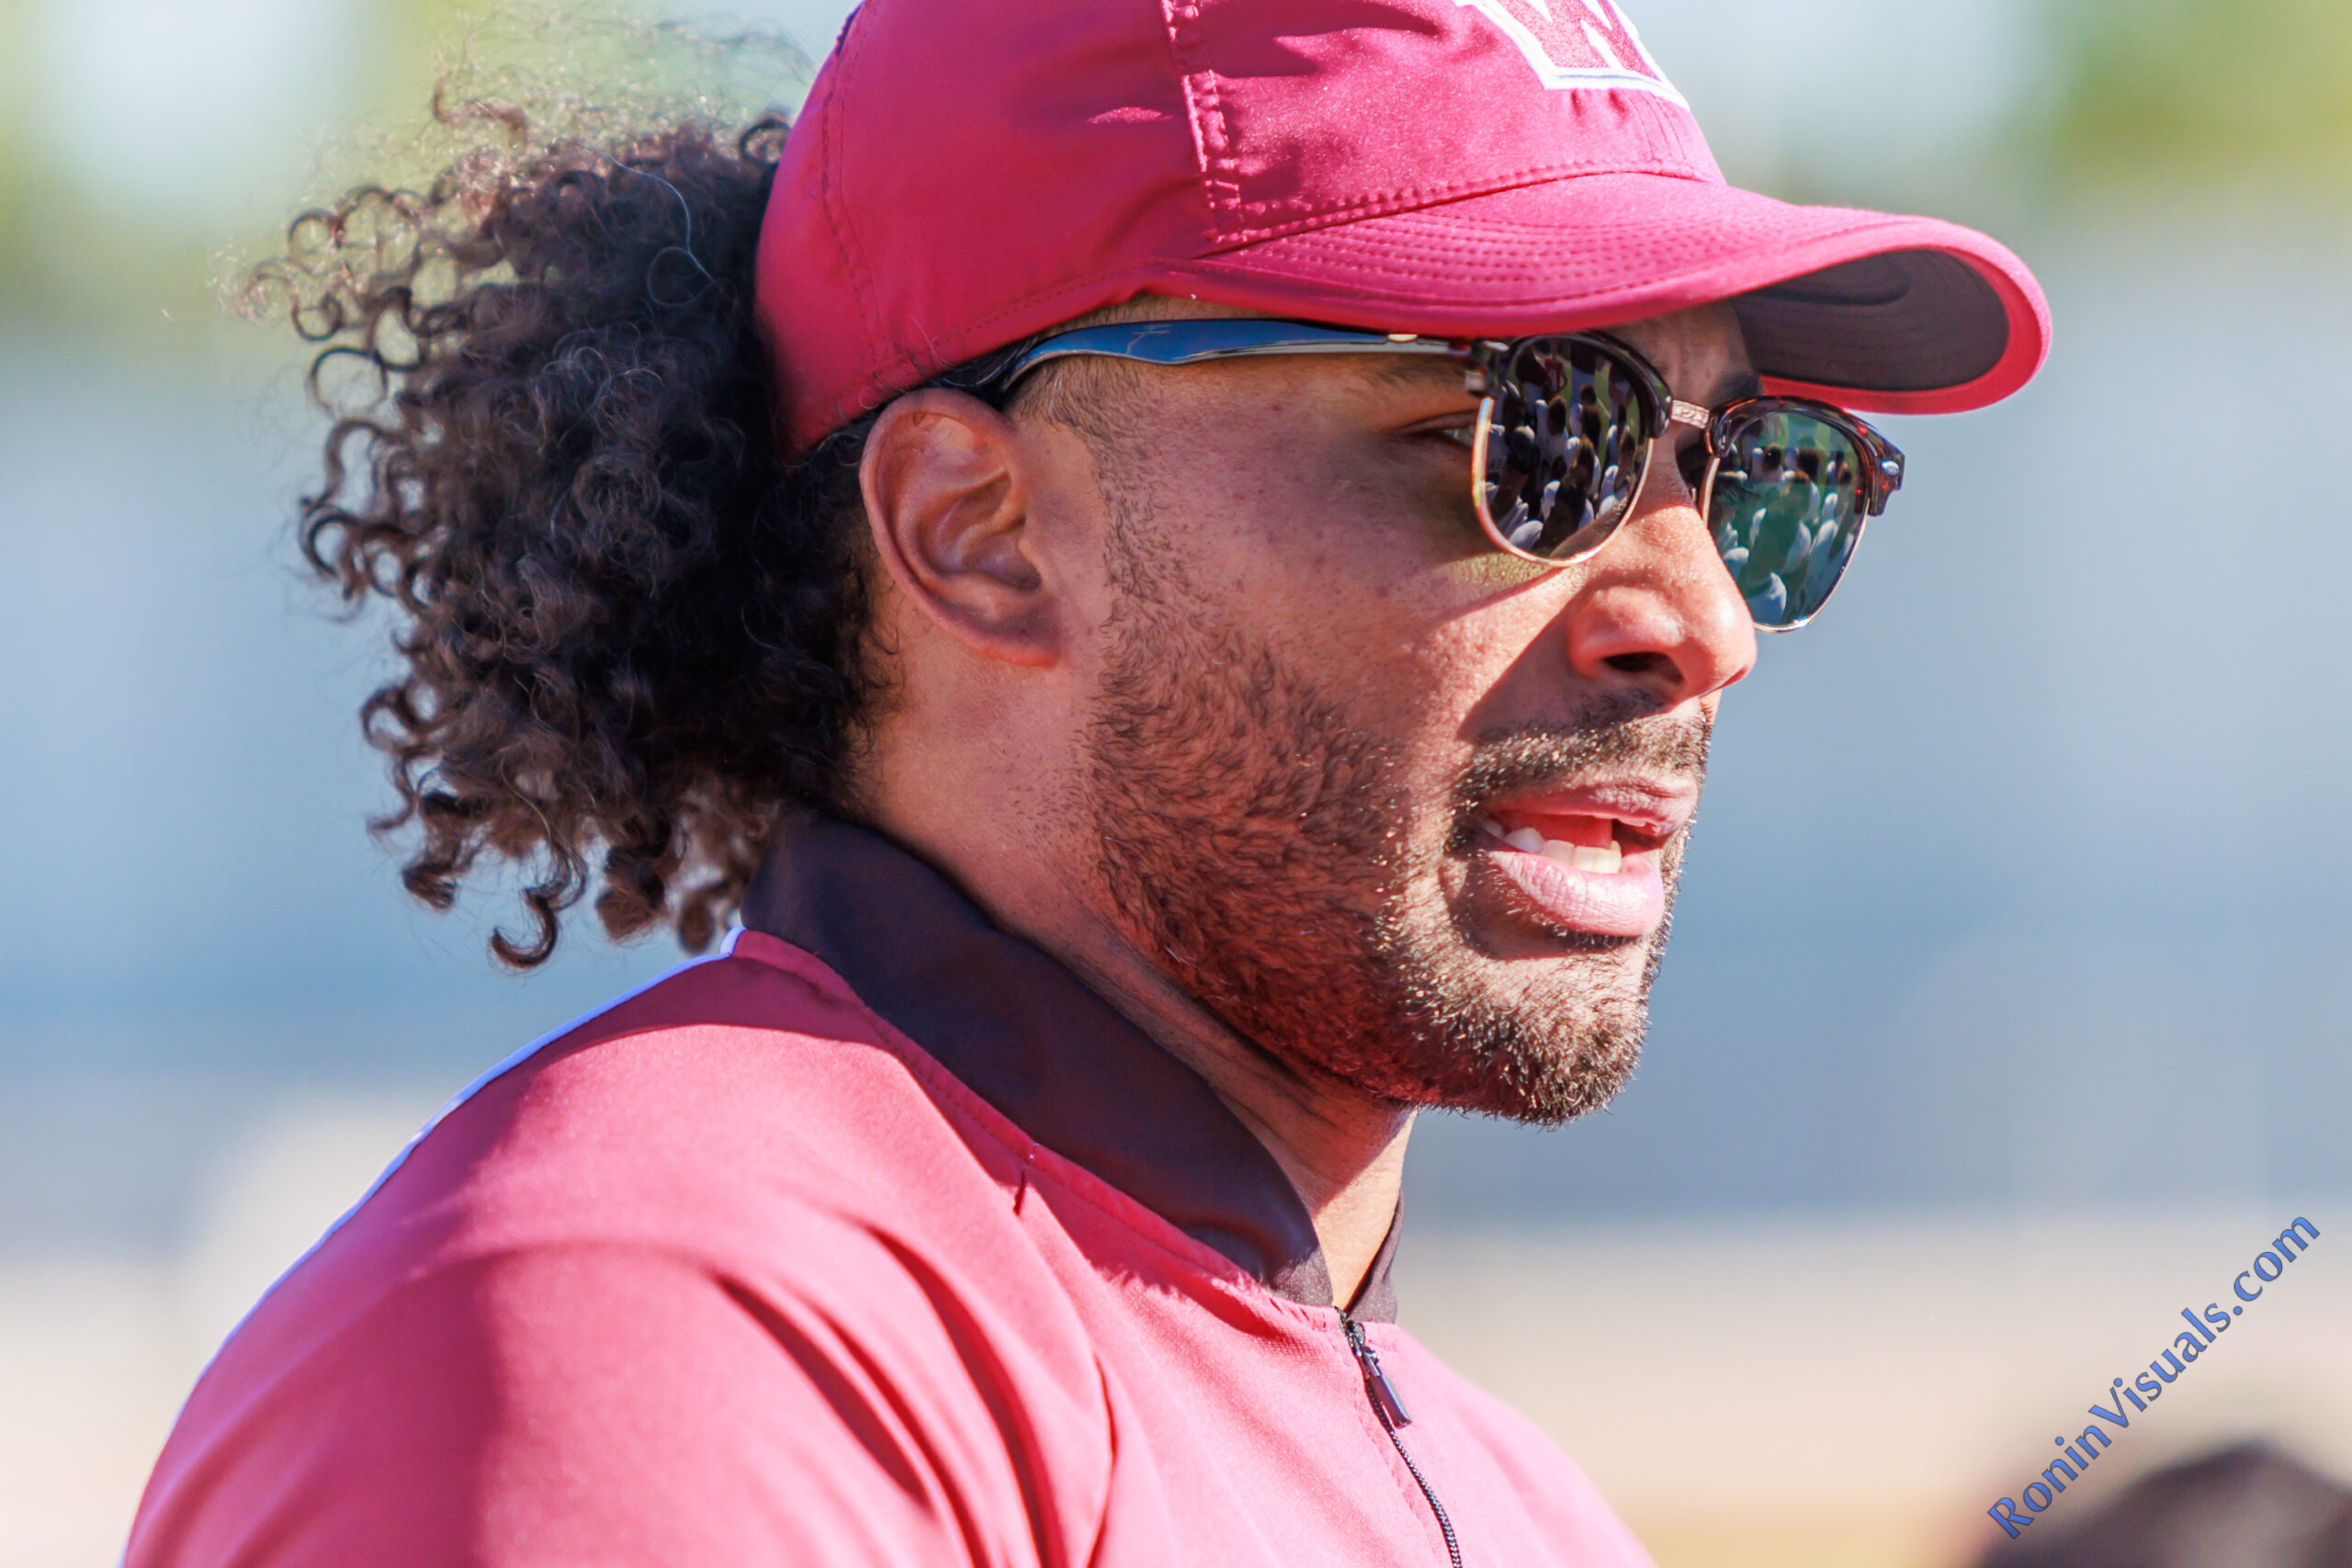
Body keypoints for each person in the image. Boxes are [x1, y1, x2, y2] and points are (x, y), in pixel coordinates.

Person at [127, 0, 2050, 1562]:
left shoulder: (1508, 1491)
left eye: (1753, 473)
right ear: (979, 529)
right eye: (1517, 436)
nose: (1700, 619)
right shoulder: (651, 1327)